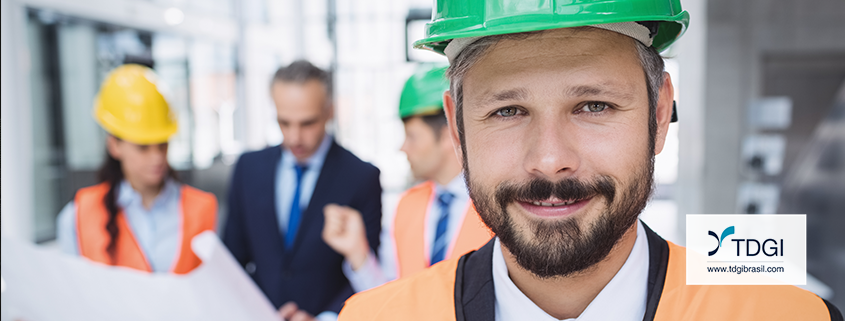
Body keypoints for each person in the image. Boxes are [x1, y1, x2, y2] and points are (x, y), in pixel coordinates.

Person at [338, 1, 843, 320]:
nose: (550, 159)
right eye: (508, 110)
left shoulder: (782, 313)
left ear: (661, 114)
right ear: (458, 128)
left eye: (594, 106)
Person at [223, 60, 382, 321]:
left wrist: (325, 318)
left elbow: (366, 266)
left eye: (307, 123)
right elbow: (232, 260)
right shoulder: (248, 169)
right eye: (284, 123)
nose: (295, 137)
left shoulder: (361, 177)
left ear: (329, 111)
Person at [322, 64, 491, 292]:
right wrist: (357, 253)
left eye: (412, 136)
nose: (403, 148)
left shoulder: (493, 202)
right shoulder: (407, 206)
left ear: (447, 134)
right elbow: (391, 297)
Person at [56, 64, 218, 274]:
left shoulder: (203, 209)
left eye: (162, 144)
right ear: (114, 145)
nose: (157, 157)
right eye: (143, 147)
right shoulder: (77, 215)